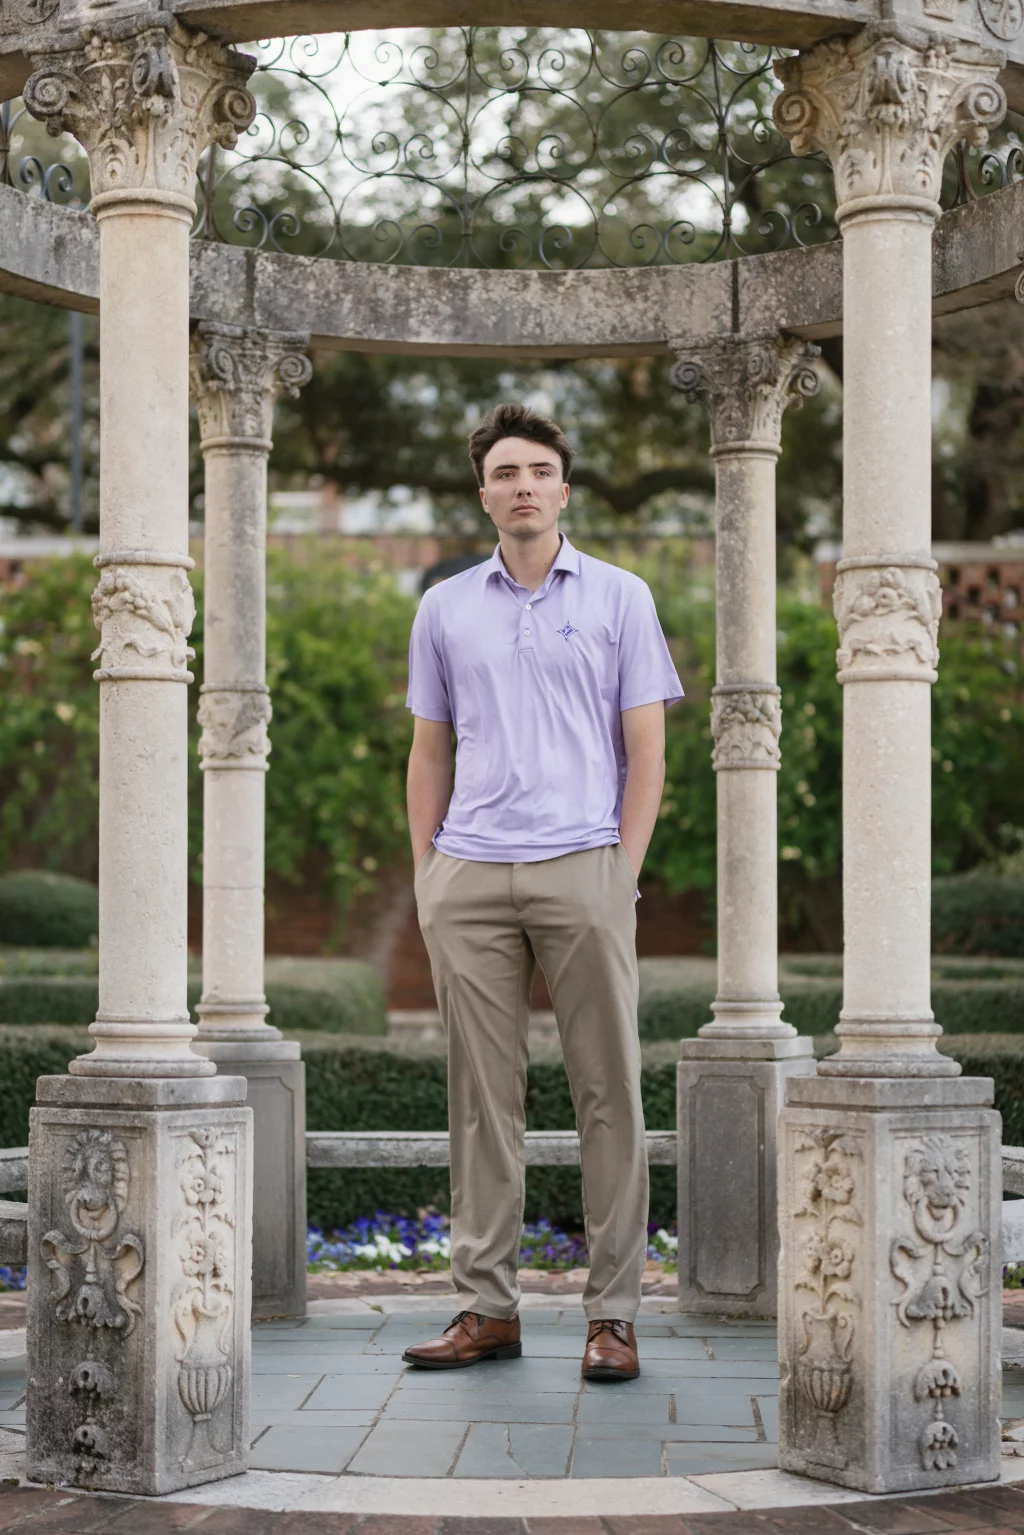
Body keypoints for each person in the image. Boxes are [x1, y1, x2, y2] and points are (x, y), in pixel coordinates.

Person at [402, 402, 684, 1381]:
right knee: (481, 1101)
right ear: (482, 491)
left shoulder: (619, 597)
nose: (522, 484)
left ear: (564, 488)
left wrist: (621, 868)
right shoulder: (442, 607)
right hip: (469, 872)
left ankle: (613, 1315)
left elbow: (644, 747)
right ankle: (486, 1307)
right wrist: (428, 872)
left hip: (584, 864)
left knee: (609, 1092)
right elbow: (428, 746)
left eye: (539, 470)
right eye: (505, 471)